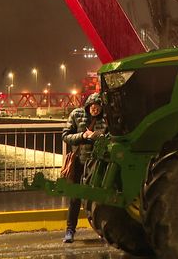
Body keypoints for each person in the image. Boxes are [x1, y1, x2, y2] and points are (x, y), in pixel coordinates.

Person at [61, 92, 107, 243]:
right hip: (79, 162)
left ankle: (103, 232)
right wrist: (82, 136)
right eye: (93, 106)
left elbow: (112, 137)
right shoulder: (76, 114)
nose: (95, 109)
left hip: (97, 163)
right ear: (88, 106)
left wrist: (99, 137)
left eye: (98, 107)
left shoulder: (106, 118)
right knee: (75, 198)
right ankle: (70, 231)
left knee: (98, 198)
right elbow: (65, 135)